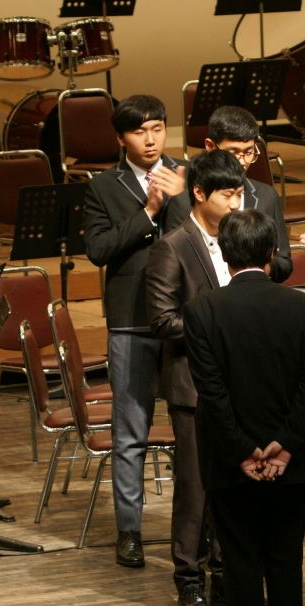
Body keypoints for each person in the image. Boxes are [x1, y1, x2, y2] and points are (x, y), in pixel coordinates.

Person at [184, 209, 305, 606]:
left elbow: (212, 393)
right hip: (290, 465)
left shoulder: (201, 310)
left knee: (239, 570)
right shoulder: (304, 307)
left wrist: (244, 451)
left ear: (224, 253)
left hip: (230, 467)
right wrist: (285, 446)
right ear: (273, 252)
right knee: (287, 567)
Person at [83, 95, 191, 567]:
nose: (151, 140)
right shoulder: (102, 187)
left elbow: (208, 234)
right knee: (130, 433)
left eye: (158, 128)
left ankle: (197, 528)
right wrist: (148, 210)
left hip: (186, 319)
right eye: (139, 131)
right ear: (121, 138)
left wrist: (180, 197)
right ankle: (129, 531)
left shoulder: (187, 174)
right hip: (131, 321)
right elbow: (98, 249)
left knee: (193, 429)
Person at [146, 150, 245, 606]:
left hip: (239, 382)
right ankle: (189, 581)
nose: (236, 203)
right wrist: (221, 325)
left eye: (240, 193)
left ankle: (225, 576)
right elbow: (163, 320)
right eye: (228, 194)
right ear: (199, 193)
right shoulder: (173, 246)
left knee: (233, 483)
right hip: (192, 387)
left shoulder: (239, 238)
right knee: (195, 489)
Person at [204, 105, 292, 282]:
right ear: (210, 146)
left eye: (248, 152)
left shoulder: (267, 196)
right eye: (233, 153)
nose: (242, 162)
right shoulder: (187, 198)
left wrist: (260, 262)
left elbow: (284, 263)